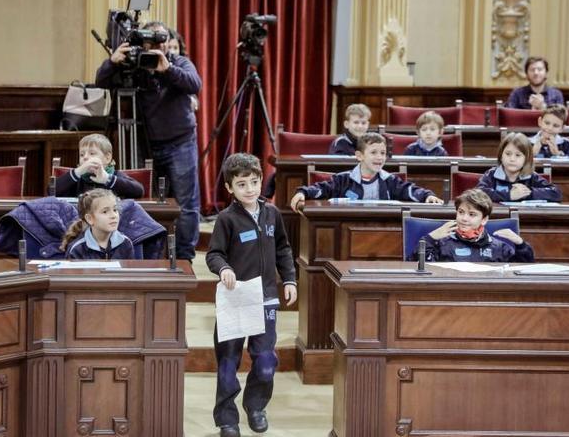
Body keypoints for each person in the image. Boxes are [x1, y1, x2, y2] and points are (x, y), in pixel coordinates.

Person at [205, 153, 297, 437]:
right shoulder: (226, 219)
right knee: (228, 363)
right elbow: (214, 254)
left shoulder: (272, 214)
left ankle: (256, 406)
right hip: (235, 300)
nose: (250, 188)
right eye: (242, 184)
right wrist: (224, 269)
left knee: (266, 360)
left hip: (265, 298)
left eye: (255, 182)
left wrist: (290, 280)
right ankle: (226, 419)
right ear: (230, 188)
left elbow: (283, 248)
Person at [96, 21, 202, 260]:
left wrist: (167, 70)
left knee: (186, 204)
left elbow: (195, 84)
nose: (155, 47)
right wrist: (112, 62)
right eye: (149, 42)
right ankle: (152, 251)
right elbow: (100, 83)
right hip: (147, 146)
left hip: (181, 143)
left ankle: (185, 257)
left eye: (159, 41)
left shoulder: (178, 63)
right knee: (148, 201)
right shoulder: (133, 69)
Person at [290, 132, 442, 212]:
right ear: (359, 156)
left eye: (382, 153)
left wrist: (428, 196)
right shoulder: (343, 179)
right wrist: (302, 192)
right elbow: (321, 189)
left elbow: (410, 190)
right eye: (374, 152)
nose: (379, 157)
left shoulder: (390, 180)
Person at [414, 189, 534, 262]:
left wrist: (521, 245)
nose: (464, 218)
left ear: (484, 220)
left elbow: (522, 268)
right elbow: (419, 266)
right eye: (461, 212)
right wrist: (430, 239)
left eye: (472, 214)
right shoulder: (442, 242)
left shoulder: (498, 247)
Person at [476, 132, 562, 202]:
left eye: (518, 155)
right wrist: (509, 195)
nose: (512, 159)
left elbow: (556, 193)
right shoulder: (491, 174)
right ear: (501, 155)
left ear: (526, 158)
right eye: (508, 154)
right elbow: (479, 193)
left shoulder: (532, 176)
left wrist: (527, 193)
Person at [54, 133, 143, 198]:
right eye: (82, 154)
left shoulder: (115, 176)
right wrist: (78, 172)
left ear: (107, 158)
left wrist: (107, 179)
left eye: (92, 153)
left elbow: (139, 191)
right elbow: (52, 191)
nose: (85, 157)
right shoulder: (77, 179)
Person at [60, 189, 134, 260]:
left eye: (115, 210)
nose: (113, 215)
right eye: (105, 212)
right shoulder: (77, 249)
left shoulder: (126, 243)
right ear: (90, 219)